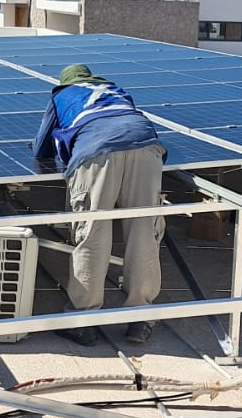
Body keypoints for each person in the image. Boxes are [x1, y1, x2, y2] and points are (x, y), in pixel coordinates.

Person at [34, 63, 166, 346]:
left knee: (92, 233)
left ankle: (84, 320)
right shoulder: (115, 90)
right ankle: (140, 318)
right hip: (145, 146)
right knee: (145, 231)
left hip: (96, 152)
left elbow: (41, 147)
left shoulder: (62, 94)